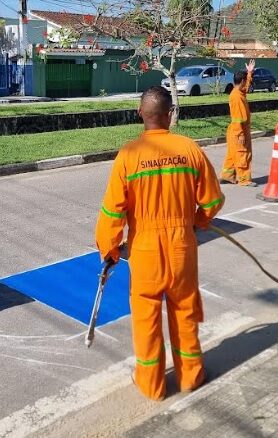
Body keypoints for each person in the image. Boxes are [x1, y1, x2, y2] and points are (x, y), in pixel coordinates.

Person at [95, 86, 224, 401]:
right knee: (185, 312)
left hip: (145, 251)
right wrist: (198, 221)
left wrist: (109, 250)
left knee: (146, 320)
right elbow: (213, 200)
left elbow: (113, 211)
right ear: (171, 114)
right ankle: (191, 376)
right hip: (182, 248)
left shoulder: (128, 156)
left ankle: (152, 385)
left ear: (140, 113)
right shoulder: (190, 149)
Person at [220, 59, 257, 187]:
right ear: (241, 81)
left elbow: (246, 88)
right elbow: (238, 118)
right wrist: (240, 134)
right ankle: (244, 179)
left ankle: (227, 175)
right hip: (238, 130)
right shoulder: (236, 97)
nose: (246, 83)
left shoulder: (238, 92)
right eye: (245, 80)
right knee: (243, 154)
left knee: (232, 153)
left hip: (235, 130)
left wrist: (249, 72)